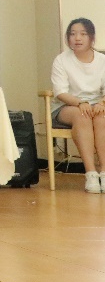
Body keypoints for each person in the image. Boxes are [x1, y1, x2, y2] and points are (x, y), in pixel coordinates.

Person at [51, 18, 105, 193]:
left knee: (101, 117)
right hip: (66, 106)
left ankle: (104, 172)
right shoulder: (61, 60)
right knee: (82, 115)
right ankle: (91, 173)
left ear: (92, 38)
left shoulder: (102, 60)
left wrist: (102, 103)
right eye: (73, 34)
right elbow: (60, 92)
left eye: (83, 34)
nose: (77, 38)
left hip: (96, 105)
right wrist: (80, 103)